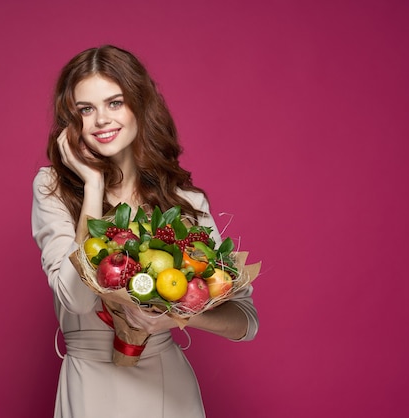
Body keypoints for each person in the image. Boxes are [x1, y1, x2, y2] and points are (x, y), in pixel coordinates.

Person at [31, 45, 258, 418]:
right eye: (86, 109)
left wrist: (179, 316)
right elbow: (77, 300)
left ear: (140, 104)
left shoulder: (182, 200)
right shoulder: (52, 187)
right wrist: (92, 187)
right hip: (90, 384)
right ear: (72, 123)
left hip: (168, 387)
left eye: (115, 102)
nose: (101, 119)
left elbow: (245, 322)